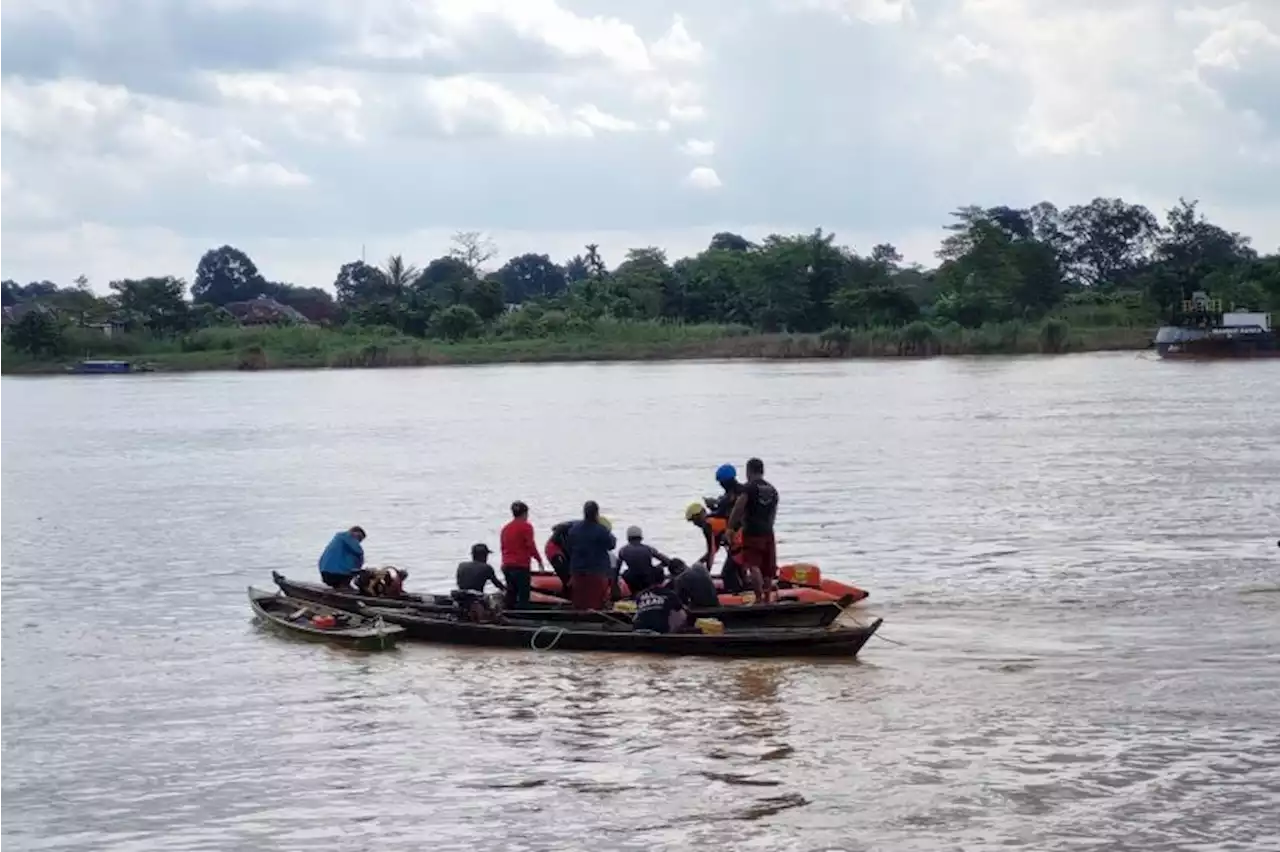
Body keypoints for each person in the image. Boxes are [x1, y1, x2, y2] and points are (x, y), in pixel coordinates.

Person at [728, 457, 779, 602]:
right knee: (768, 567)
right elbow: (773, 513)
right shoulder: (773, 490)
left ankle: (758, 598)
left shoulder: (749, 488)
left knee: (753, 565)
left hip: (752, 532)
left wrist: (730, 528)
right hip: (768, 532)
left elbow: (739, 507)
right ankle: (767, 598)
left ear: (749, 471)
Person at [685, 503, 745, 595]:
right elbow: (714, 548)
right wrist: (699, 563)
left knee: (727, 573)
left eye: (695, 520)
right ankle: (743, 588)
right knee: (736, 569)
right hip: (742, 543)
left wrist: (707, 573)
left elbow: (711, 552)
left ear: (700, 515)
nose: (695, 524)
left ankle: (736, 594)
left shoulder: (707, 525)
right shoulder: (713, 521)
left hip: (740, 545)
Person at [566, 501, 616, 610]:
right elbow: (611, 545)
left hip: (577, 569)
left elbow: (569, 547)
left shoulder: (574, 529)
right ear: (596, 514)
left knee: (579, 599)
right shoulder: (601, 530)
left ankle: (577, 619)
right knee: (595, 601)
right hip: (596, 570)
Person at [500, 500, 544, 609]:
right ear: (525, 513)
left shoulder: (505, 528)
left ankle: (508, 614)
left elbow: (503, 547)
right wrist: (539, 560)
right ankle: (523, 618)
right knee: (523, 596)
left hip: (507, 565)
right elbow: (530, 545)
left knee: (511, 593)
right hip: (520, 566)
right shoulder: (526, 527)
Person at [455, 543, 506, 622]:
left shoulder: (461, 565)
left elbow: (459, 583)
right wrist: (506, 589)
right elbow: (497, 584)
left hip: (461, 595)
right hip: (476, 597)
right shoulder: (486, 567)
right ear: (484, 556)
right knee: (497, 600)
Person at [616, 526, 672, 596]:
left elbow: (617, 569)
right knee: (658, 570)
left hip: (633, 580)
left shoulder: (623, 550)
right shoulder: (649, 549)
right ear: (641, 537)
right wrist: (657, 567)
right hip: (649, 578)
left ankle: (634, 594)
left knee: (624, 574)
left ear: (628, 538)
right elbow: (667, 561)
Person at [545, 520, 574, 595]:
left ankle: (566, 592)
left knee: (568, 576)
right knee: (568, 578)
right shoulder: (576, 529)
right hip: (555, 552)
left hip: (556, 549)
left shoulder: (577, 526)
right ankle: (566, 595)